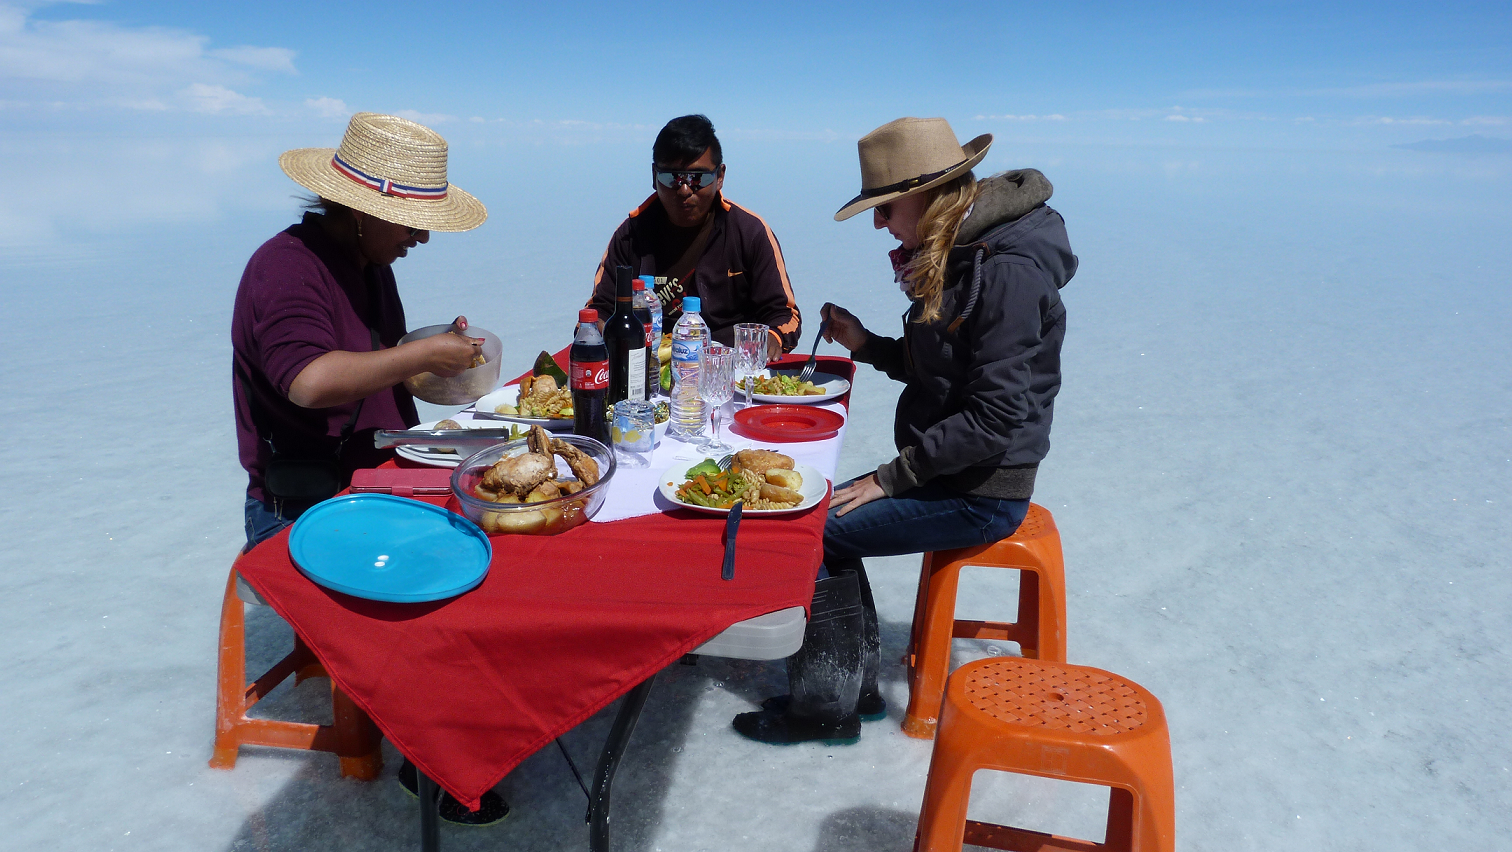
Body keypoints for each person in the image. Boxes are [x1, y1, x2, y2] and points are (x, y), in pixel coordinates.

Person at [733, 117, 1077, 745]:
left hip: (981, 491)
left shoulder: (1003, 272)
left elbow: (995, 419)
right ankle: (854, 685)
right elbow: (947, 372)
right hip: (953, 470)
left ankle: (826, 710)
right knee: (819, 517)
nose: (879, 223)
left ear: (929, 196)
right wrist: (867, 346)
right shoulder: (962, 253)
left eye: (886, 207)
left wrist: (896, 478)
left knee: (813, 533)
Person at [230, 112, 507, 825]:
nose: (420, 237)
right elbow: (309, 382)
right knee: (440, 591)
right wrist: (419, 357)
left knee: (497, 535)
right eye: (410, 221)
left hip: (375, 475)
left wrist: (447, 368)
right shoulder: (284, 270)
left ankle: (464, 719)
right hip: (305, 504)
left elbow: (376, 376)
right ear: (358, 211)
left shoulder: (365, 264)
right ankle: (433, 753)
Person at [586, 114, 801, 362]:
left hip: (730, 372)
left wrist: (773, 338)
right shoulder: (630, 236)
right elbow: (598, 311)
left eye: (698, 178)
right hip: (650, 372)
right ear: (654, 176)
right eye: (672, 178)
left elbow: (784, 315)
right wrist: (612, 338)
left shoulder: (749, 232)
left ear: (720, 176)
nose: (685, 190)